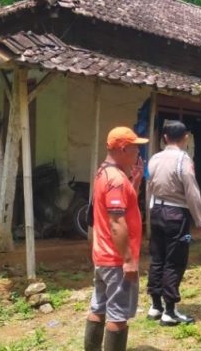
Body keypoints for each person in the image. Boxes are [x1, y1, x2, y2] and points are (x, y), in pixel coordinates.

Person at [84, 127, 148, 351]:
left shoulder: (104, 172)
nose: (138, 153)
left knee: (98, 308)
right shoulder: (116, 180)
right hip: (116, 259)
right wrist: (129, 259)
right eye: (135, 148)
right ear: (123, 149)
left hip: (102, 257)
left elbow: (123, 205)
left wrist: (136, 182)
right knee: (118, 316)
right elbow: (116, 222)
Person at [146, 120, 201, 326]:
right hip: (176, 215)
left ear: (165, 138)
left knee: (158, 258)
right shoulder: (184, 160)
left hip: (156, 211)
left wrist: (150, 211)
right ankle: (170, 310)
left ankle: (155, 306)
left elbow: (149, 186)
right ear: (185, 138)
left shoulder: (154, 158)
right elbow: (192, 191)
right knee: (175, 260)